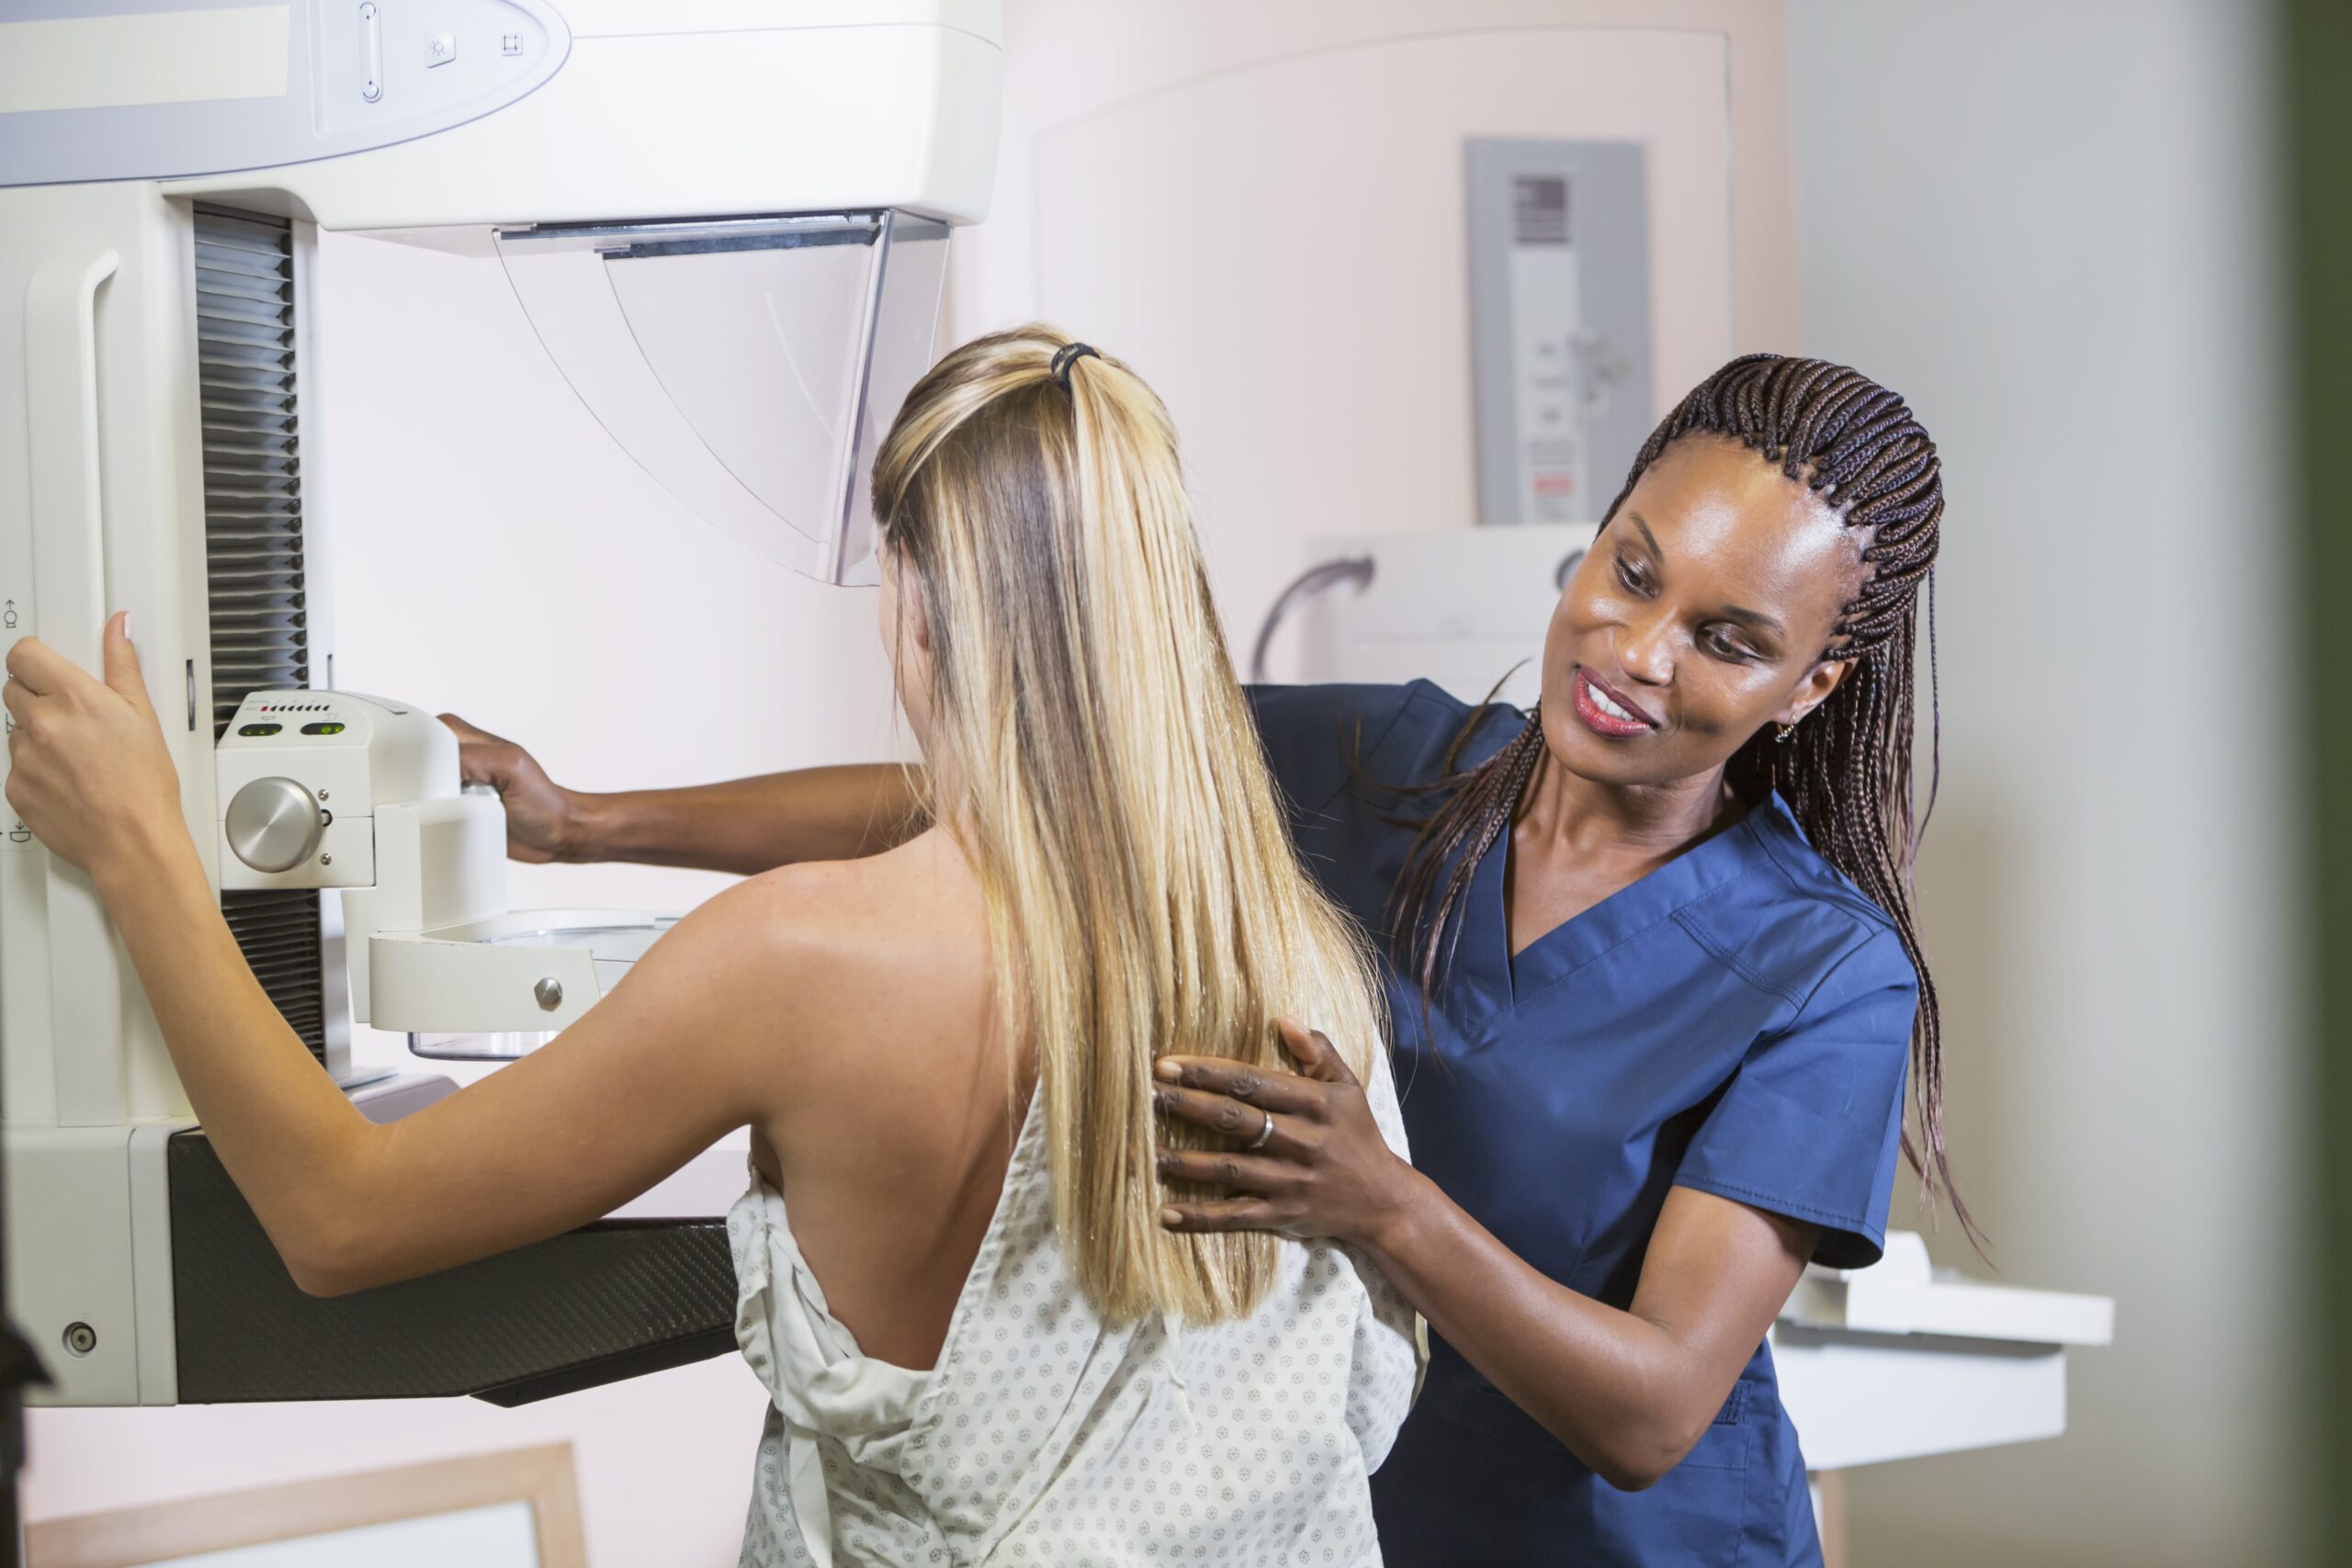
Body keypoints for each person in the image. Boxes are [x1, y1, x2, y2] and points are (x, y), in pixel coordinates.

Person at [429, 353, 1953, 1565]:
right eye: (1631, 573)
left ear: (1812, 682)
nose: (1637, 652)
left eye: (1727, 640)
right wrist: (590, 821)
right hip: (1349, 1520)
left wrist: (1387, 1208)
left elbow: (1656, 1410)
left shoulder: (1824, 969)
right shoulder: (1390, 761)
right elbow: (1011, 787)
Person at [2, 327, 1421, 1568]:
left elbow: (340, 1220)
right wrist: (587, 821)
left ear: (916, 601)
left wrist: (140, 848)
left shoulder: (802, 963)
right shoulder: (1299, 968)